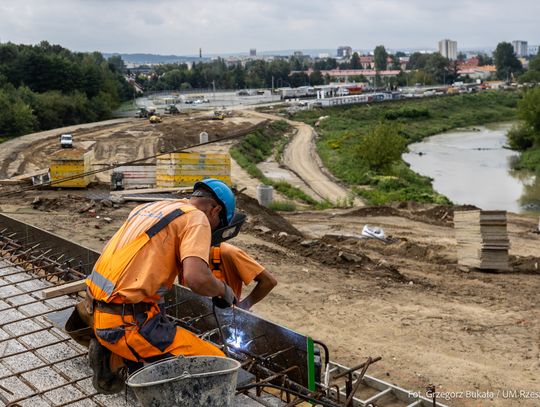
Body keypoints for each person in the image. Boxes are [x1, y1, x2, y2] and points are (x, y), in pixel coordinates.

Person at [84, 179, 237, 394]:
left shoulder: (152, 207)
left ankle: (112, 352)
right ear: (215, 210)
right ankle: (115, 358)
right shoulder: (198, 218)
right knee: (219, 364)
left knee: (158, 314)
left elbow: (140, 270)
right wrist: (223, 291)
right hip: (125, 325)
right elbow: (196, 278)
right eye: (217, 226)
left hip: (94, 310)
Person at [208, 243, 277, 311]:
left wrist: (243, 306)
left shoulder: (228, 252)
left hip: (223, 315)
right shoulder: (198, 254)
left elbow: (268, 282)